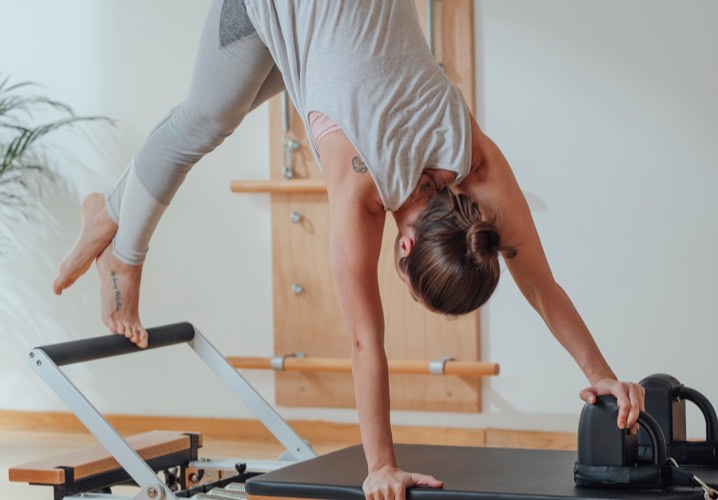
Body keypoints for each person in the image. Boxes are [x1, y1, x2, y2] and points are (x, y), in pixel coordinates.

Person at [53, 1, 645, 499]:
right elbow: (365, 343)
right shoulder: (363, 186)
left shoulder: (472, 155)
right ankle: (123, 249)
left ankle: (110, 211)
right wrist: (380, 466)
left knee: (240, 97)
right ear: (404, 246)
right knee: (204, 118)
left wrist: (604, 378)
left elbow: (539, 282)